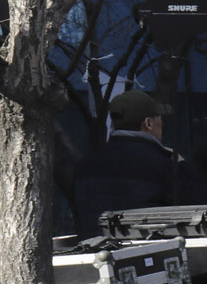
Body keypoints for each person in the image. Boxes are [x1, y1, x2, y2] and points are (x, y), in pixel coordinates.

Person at [72, 89, 196, 229]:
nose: (162, 122)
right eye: (159, 117)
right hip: (153, 249)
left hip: (94, 248)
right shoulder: (166, 165)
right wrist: (182, 166)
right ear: (148, 123)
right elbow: (196, 209)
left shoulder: (84, 166)